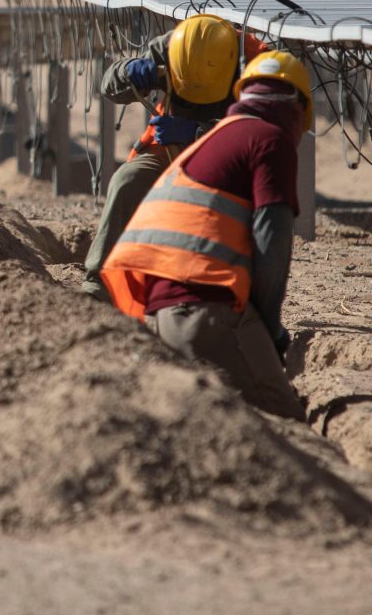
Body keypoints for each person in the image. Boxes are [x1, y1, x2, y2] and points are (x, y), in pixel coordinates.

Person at [99, 49, 313, 418]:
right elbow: (272, 236)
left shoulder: (216, 137)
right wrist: (269, 326)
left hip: (155, 311)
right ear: (297, 111)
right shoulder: (269, 139)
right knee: (285, 419)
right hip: (205, 311)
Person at [77, 13, 265, 294]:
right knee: (128, 180)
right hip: (169, 149)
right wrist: (128, 70)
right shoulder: (176, 46)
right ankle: (99, 282)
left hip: (232, 161)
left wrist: (199, 135)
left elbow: (263, 136)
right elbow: (110, 88)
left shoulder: (260, 65)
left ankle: (222, 286)